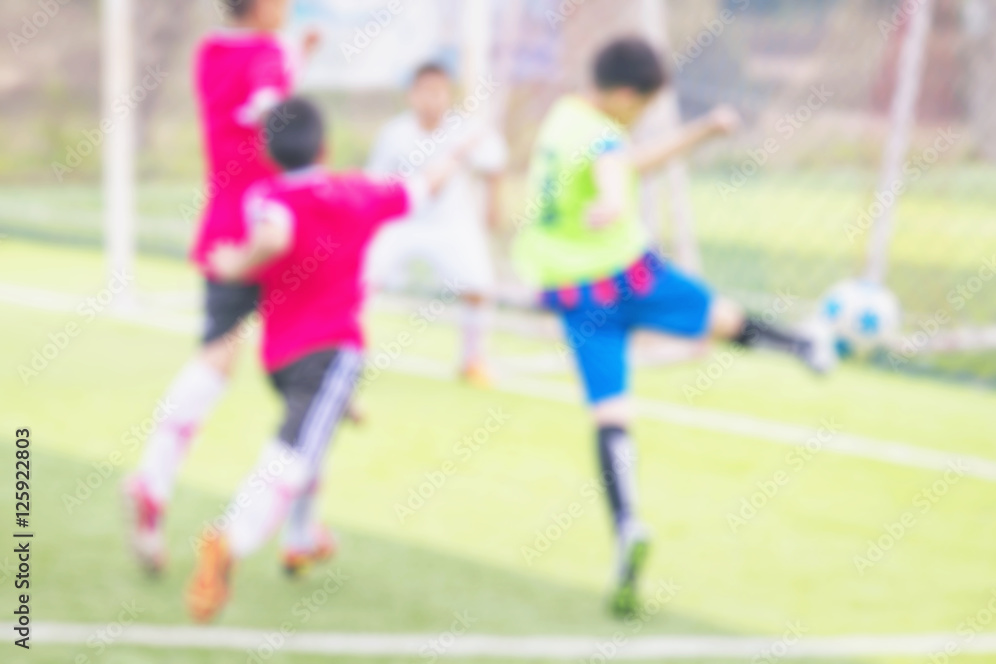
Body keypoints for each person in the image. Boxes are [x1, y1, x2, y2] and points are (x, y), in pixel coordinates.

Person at [513, 37, 836, 618]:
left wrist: (702, 132)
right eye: (644, 105)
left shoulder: (565, 119)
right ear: (623, 95)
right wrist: (613, 206)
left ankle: (628, 525)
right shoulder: (603, 135)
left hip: (572, 291)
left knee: (610, 413)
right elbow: (616, 170)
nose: (641, 116)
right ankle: (805, 343)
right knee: (720, 318)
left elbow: (623, 162)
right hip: (627, 274)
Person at [186, 97, 462, 623]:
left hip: (281, 355)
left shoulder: (263, 193)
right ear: (325, 146)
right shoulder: (357, 191)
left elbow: (273, 229)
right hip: (330, 350)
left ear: (270, 152)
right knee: (291, 454)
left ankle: (301, 538)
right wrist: (458, 151)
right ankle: (231, 540)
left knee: (312, 440)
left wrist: (237, 261)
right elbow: (427, 184)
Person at [122, 0, 319, 574]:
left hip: (223, 224)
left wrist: (292, 66)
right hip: (275, 229)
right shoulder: (264, 54)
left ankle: (154, 478)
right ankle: (299, 531)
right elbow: (271, 116)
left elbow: (251, 108)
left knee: (216, 355)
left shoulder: (210, 52)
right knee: (315, 372)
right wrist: (285, 78)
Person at [365, 62, 508, 385]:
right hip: (400, 222)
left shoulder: (466, 131)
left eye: (439, 92)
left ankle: (473, 360)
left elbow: (494, 165)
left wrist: (492, 208)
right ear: (411, 95)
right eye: (425, 92)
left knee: (478, 287)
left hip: (450, 225)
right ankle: (348, 350)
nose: (432, 99)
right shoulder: (394, 133)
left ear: (448, 95)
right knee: (362, 280)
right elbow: (377, 182)